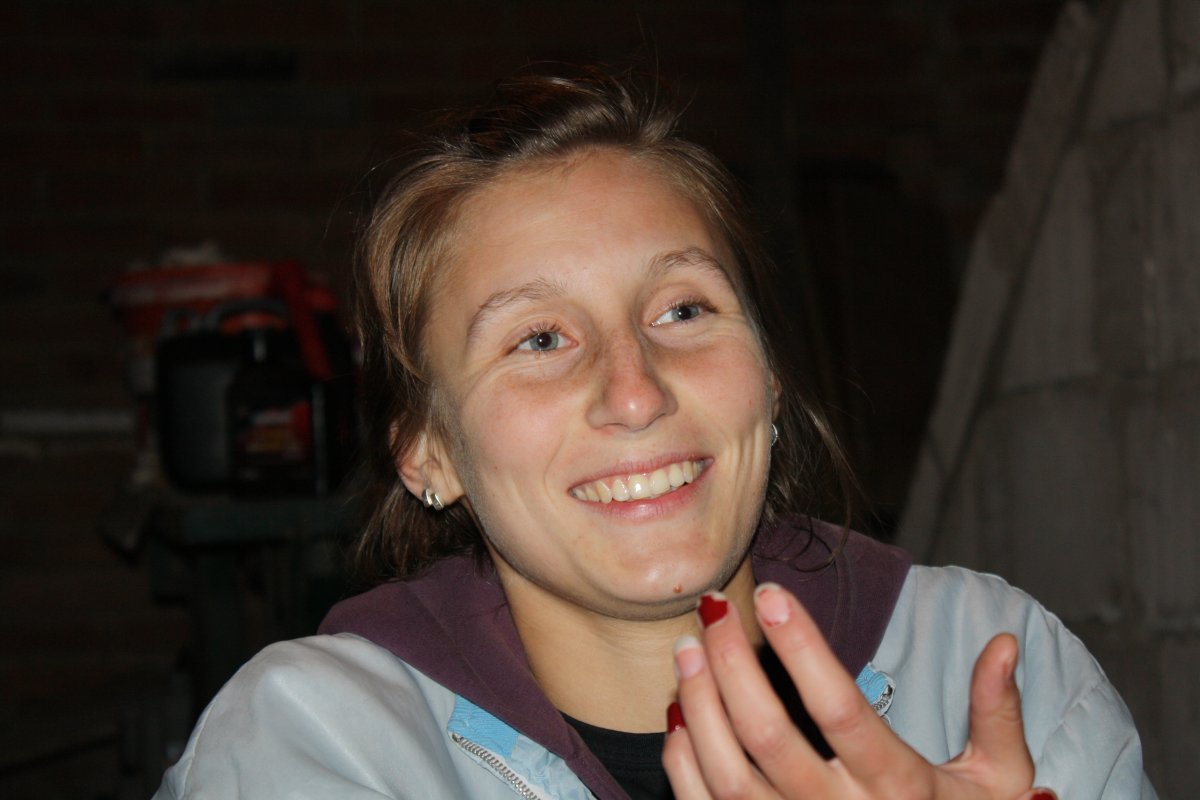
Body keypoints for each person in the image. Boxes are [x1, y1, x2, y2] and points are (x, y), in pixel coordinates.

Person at [154, 66, 1155, 799]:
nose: (634, 393)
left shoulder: (995, 667)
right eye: (540, 338)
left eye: (682, 309)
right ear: (428, 451)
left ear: (769, 377)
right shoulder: (313, 741)